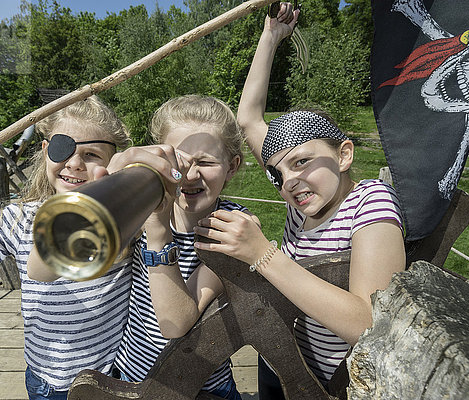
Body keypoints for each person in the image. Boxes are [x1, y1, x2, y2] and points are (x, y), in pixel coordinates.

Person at [0, 96, 181, 400]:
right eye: (64, 148)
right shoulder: (16, 221)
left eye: (91, 154)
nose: (75, 163)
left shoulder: (126, 223)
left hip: (109, 381)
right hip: (44, 385)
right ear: (45, 151)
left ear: (112, 164)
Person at [191, 3, 407, 399]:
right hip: (281, 358)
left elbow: (369, 324)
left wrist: (264, 254)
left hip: (333, 383)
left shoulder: (370, 205)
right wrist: (271, 36)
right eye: (278, 172)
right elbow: (249, 120)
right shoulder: (303, 198)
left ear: (343, 155)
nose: (289, 181)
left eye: (302, 162)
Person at [110, 95, 248, 400]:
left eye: (206, 162)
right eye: (179, 162)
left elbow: (179, 323)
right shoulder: (137, 207)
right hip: (132, 379)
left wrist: (157, 230)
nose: (188, 175)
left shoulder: (233, 225)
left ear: (232, 166)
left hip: (201, 388)